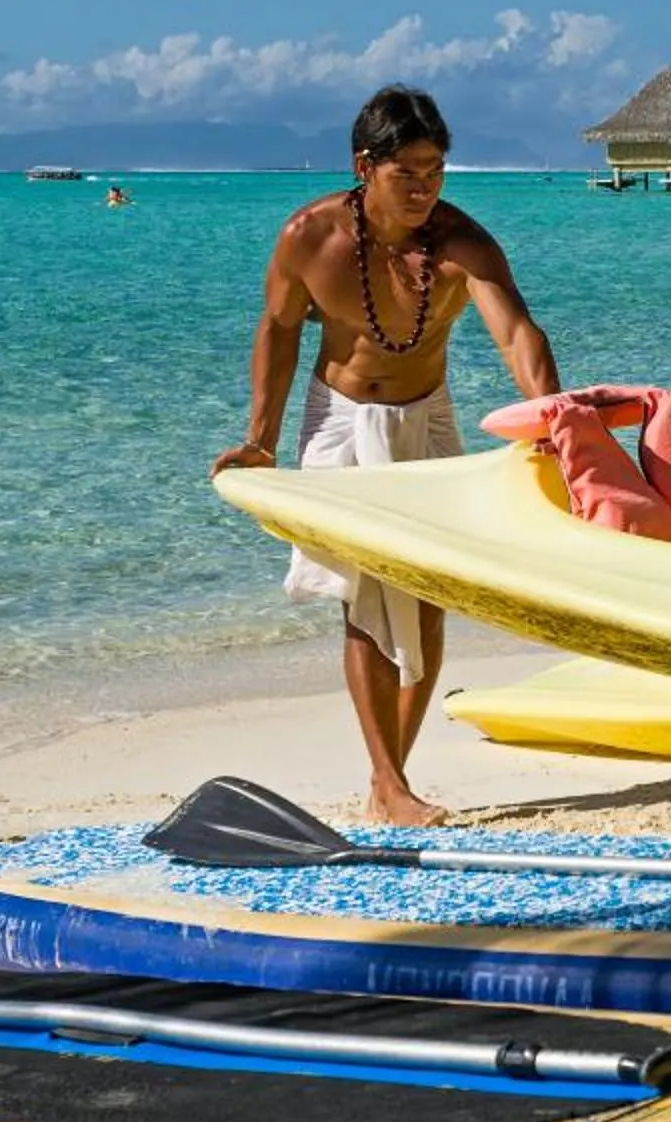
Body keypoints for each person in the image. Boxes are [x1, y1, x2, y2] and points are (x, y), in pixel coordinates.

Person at [211, 86, 559, 825]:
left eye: (436, 170)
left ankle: (386, 782)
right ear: (363, 166)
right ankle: (389, 782)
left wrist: (552, 418)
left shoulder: (463, 243)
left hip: (426, 423)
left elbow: (516, 333)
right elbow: (278, 331)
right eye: (407, 172)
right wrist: (260, 439)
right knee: (367, 598)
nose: (425, 188)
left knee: (428, 597)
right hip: (340, 421)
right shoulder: (310, 238)